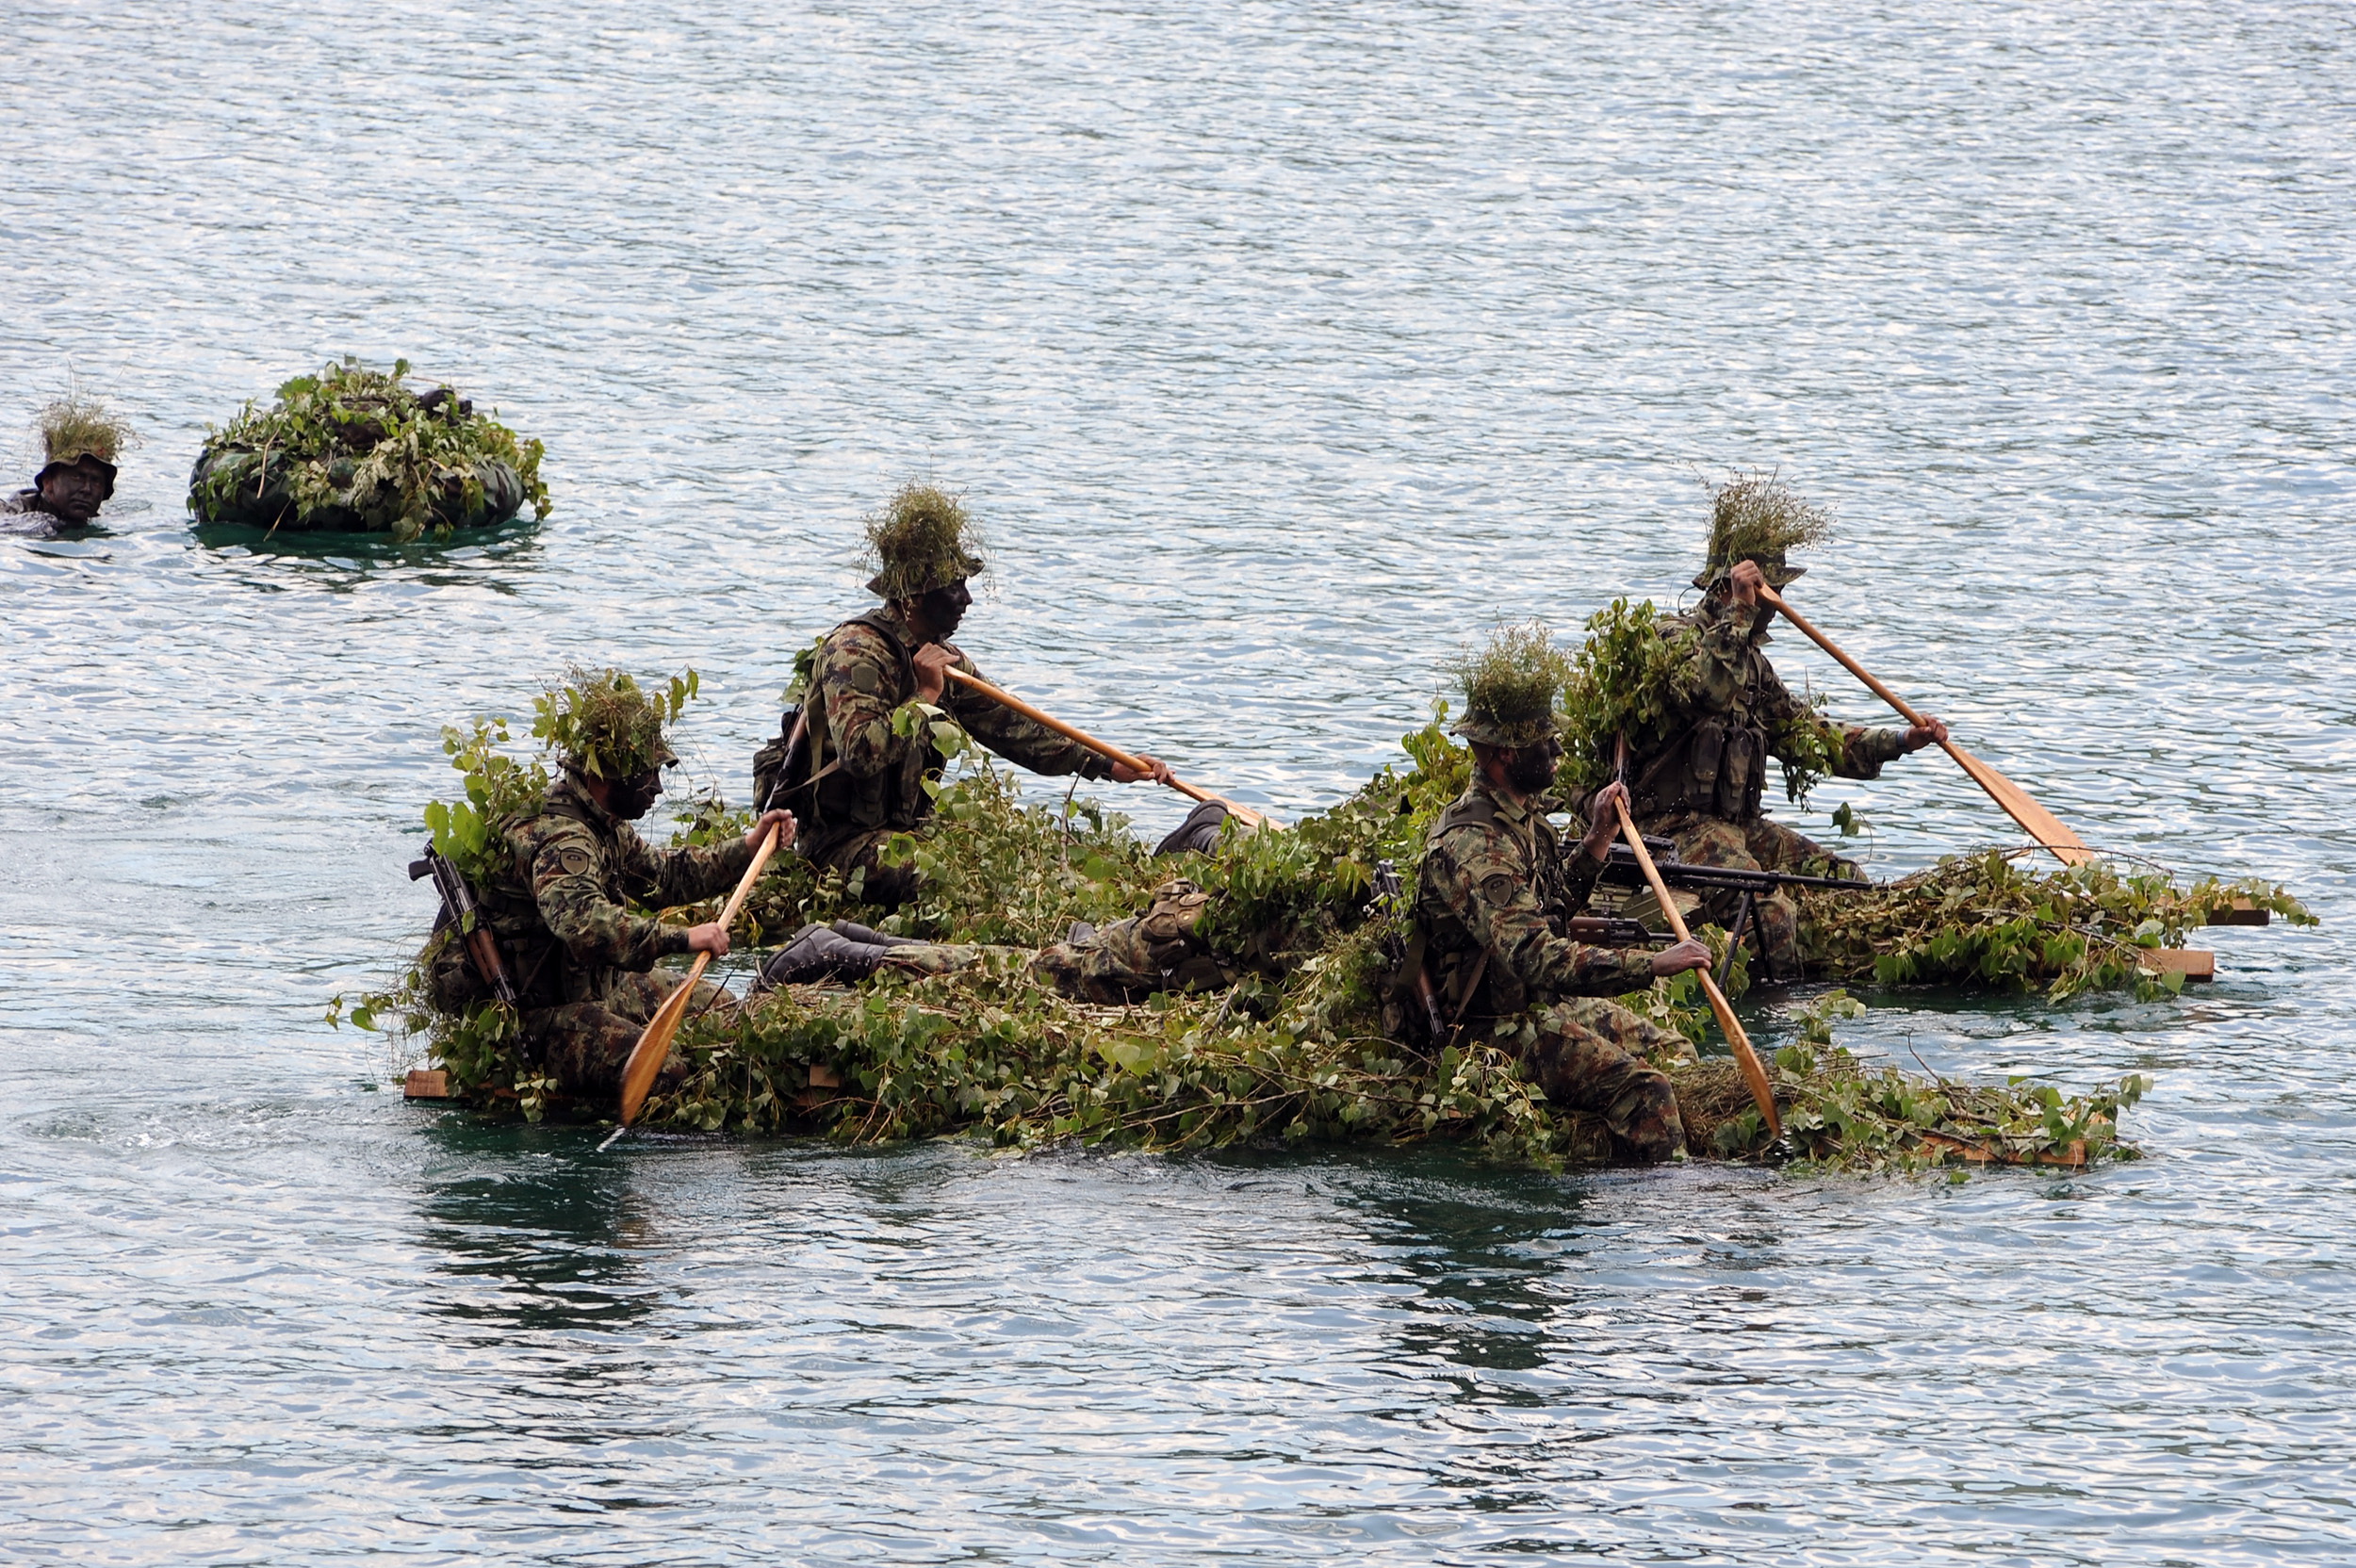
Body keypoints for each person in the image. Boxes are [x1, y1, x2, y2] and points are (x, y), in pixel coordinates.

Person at [765, 482, 1172, 905]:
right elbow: (860, 753)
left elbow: (1017, 727)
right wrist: (923, 696)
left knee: (1000, 868)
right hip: (839, 846)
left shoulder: (942, 658)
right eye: (954, 587)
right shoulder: (855, 654)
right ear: (916, 597)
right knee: (943, 877)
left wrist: (1108, 763)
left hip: (902, 835)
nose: (967, 599)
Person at [1616, 481, 1947, 974]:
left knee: (1843, 879)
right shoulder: (1670, 641)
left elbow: (1810, 737)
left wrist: (1902, 740)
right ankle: (1777, 1021)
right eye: (1772, 591)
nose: (1778, 603)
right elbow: (1708, 690)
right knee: (1768, 906)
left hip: (1735, 827)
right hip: (1667, 829)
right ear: (1733, 586)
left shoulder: (1752, 666)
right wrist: (1739, 611)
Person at [421, 668, 794, 1106]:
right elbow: (585, 924)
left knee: (723, 1013)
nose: (656, 788)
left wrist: (749, 846)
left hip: (595, 988)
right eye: (646, 774)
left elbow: (665, 877)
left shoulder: (603, 826)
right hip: (531, 1018)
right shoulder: (563, 839)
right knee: (668, 1071)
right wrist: (683, 938)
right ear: (607, 775)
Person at [1415, 624, 1714, 1164]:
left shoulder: (1524, 821)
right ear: (1504, 755)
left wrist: (1599, 835)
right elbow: (1536, 956)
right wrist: (1652, 965)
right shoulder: (1476, 845)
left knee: (1677, 1052)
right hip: (1490, 1031)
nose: (1557, 750)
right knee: (1649, 1091)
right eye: (1543, 744)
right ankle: (1663, 1214)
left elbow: (1551, 912)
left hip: (1537, 1006)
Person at [4, 397, 130, 527]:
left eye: (96, 481)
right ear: (48, 482)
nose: (87, 489)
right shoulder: (17, 516)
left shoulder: (111, 521)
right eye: (77, 477)